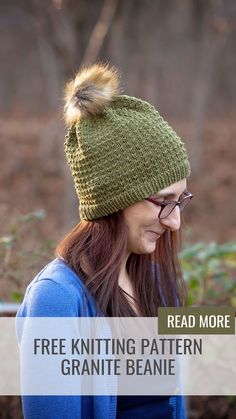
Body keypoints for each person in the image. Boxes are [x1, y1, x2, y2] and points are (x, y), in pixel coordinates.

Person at [16, 62, 192, 418]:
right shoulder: (57, 299)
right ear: (114, 200)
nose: (174, 222)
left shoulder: (156, 281)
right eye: (162, 202)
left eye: (181, 200)